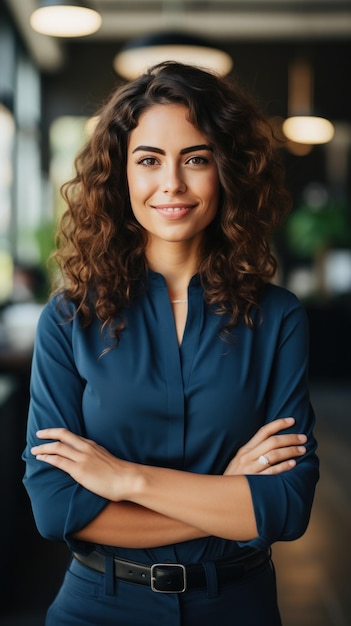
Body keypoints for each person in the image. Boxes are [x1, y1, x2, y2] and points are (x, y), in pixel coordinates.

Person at [23, 61, 319, 626]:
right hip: (96, 607)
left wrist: (127, 481)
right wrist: (230, 496)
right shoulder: (68, 318)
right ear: (121, 175)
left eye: (196, 159)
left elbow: (286, 507)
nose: (173, 185)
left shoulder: (278, 318)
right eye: (149, 160)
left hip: (237, 606)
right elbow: (56, 506)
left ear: (226, 170)